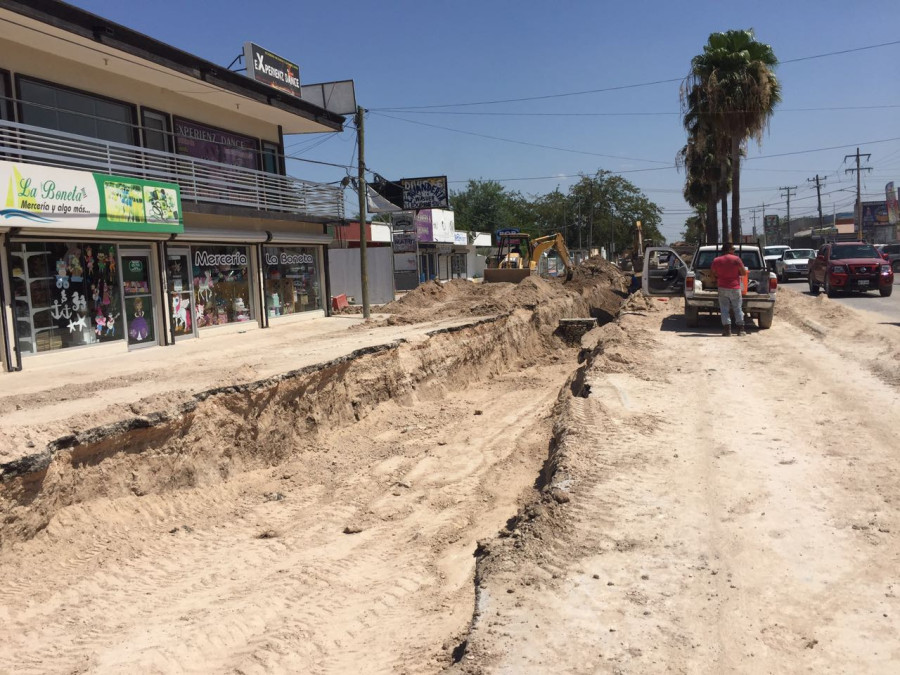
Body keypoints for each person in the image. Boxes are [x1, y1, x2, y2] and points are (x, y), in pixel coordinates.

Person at [710, 242, 746, 337]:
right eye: (733, 249)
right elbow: (743, 273)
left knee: (724, 309)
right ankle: (741, 330)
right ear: (729, 249)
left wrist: (717, 278)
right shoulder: (736, 259)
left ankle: (727, 331)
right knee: (737, 308)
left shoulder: (716, 260)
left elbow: (712, 274)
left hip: (722, 287)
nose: (734, 250)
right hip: (735, 287)